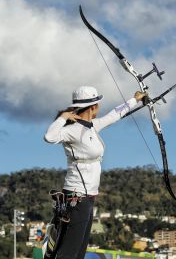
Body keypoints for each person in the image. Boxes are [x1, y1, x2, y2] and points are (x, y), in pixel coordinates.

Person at [43, 86, 147, 259]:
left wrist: (135, 100)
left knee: (79, 251)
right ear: (92, 107)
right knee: (69, 251)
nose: (99, 108)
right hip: (76, 196)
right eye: (97, 104)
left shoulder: (92, 126)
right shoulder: (72, 130)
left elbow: (115, 114)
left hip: (89, 197)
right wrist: (63, 117)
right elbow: (49, 137)